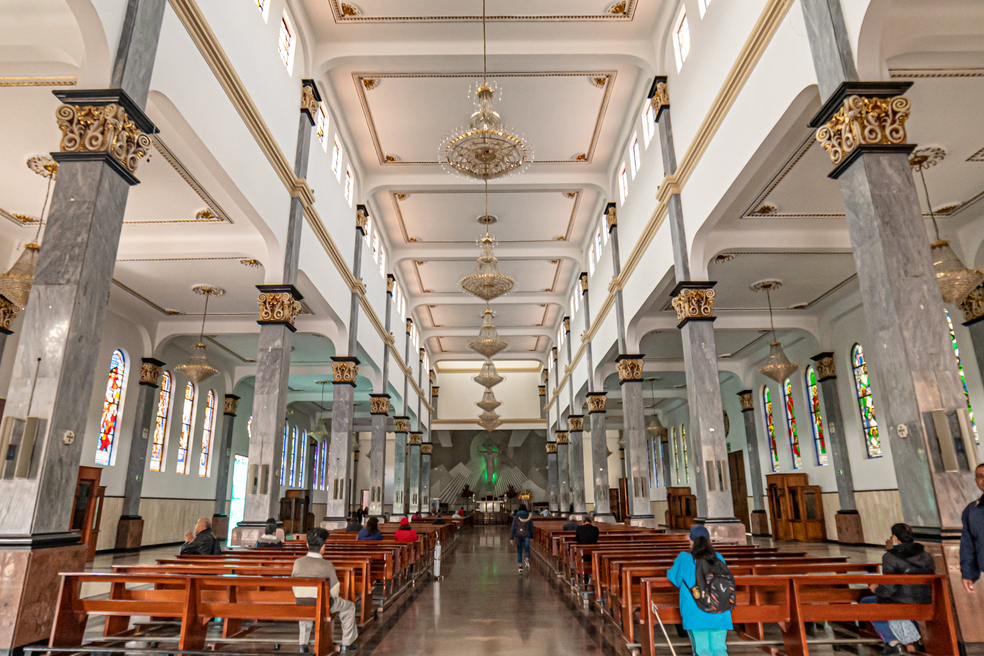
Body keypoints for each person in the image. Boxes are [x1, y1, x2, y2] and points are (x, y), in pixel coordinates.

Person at [859, 523, 934, 654]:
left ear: (894, 538)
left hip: (901, 603)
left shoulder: (890, 556)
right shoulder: (925, 555)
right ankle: (914, 638)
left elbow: (888, 590)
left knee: (867, 603)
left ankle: (893, 642)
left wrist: (875, 589)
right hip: (925, 601)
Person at [667, 526, 732, 656]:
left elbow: (673, 577)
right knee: (720, 648)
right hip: (720, 609)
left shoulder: (684, 558)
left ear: (691, 542)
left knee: (702, 650)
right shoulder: (718, 557)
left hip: (696, 612)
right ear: (709, 541)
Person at [292, 528, 357, 653]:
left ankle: (303, 644)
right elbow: (334, 590)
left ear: (307, 544)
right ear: (323, 547)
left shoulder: (298, 563)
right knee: (349, 607)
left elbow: (294, 585)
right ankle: (347, 643)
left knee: (306, 607)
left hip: (301, 602)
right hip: (323, 604)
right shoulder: (327, 565)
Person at [961, 462, 984, 594]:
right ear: (976, 481)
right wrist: (968, 574)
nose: (983, 480)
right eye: (980, 476)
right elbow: (968, 545)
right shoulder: (972, 511)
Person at [509, 504, 534, 572]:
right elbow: (531, 527)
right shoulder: (529, 516)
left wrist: (511, 538)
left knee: (519, 550)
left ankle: (520, 566)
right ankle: (526, 559)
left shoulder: (516, 516)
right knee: (527, 548)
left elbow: (513, 527)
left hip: (518, 535)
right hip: (526, 535)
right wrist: (531, 536)